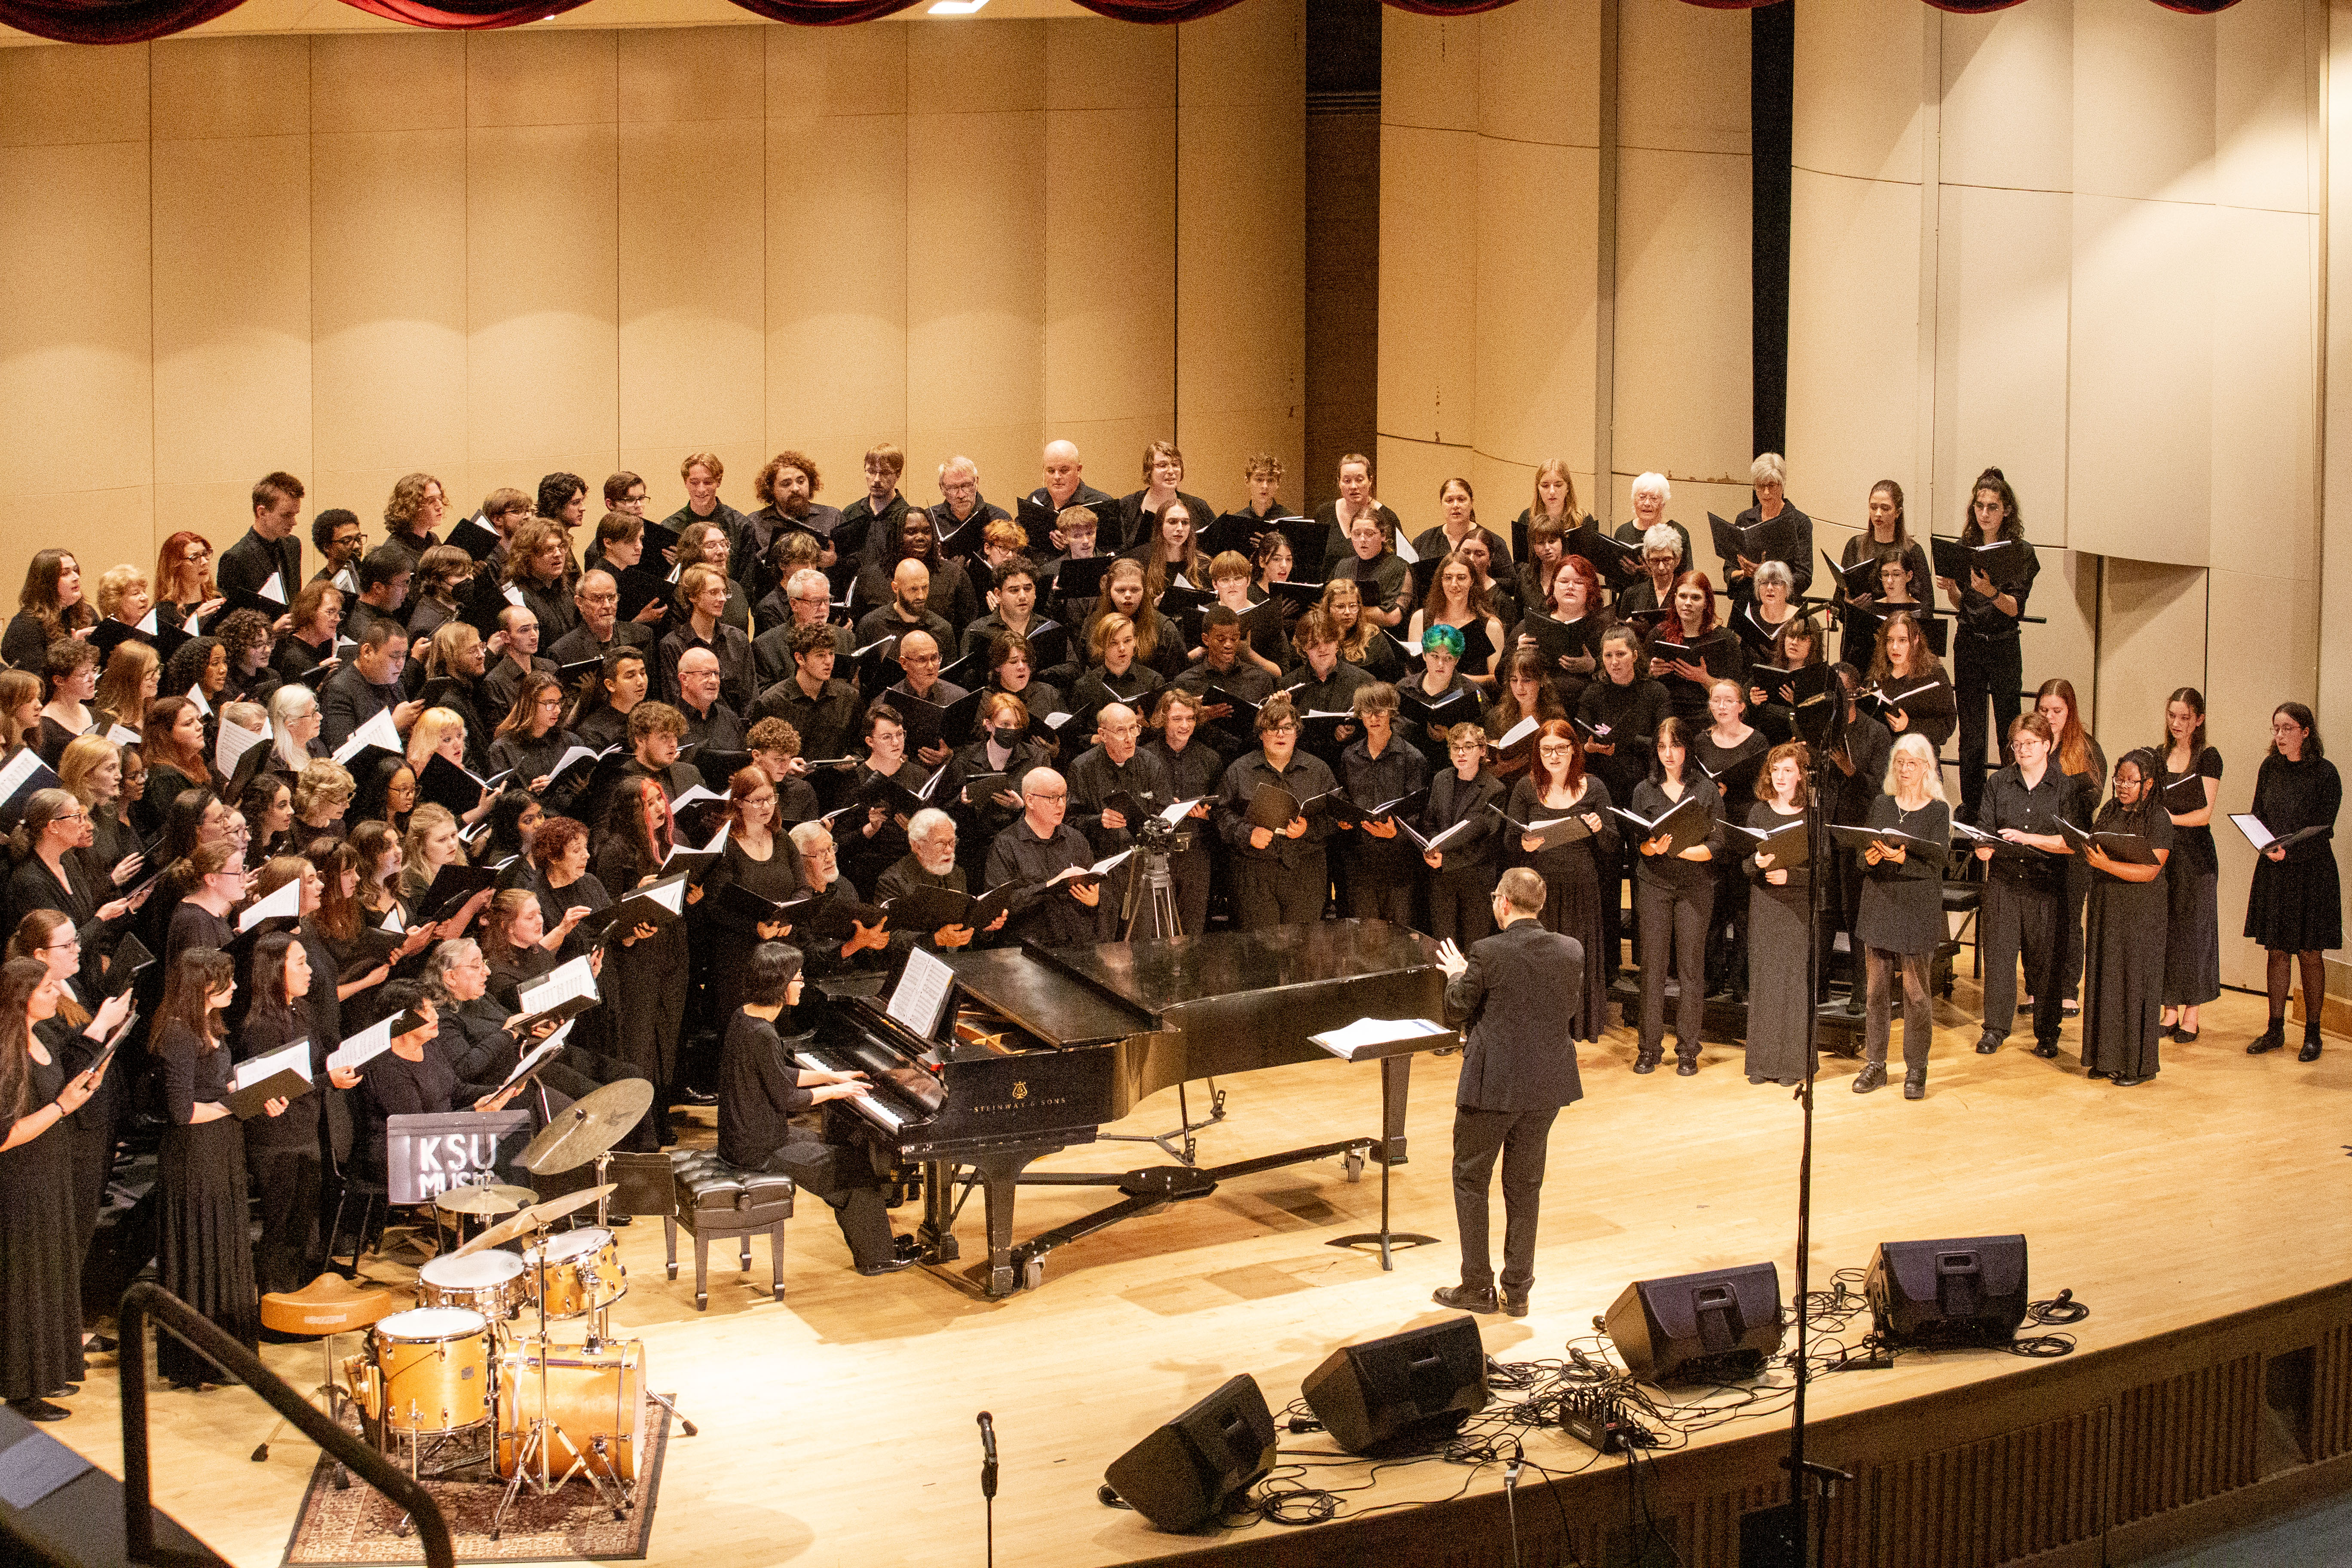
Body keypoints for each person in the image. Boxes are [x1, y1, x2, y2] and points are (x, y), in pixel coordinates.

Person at [1429, 867, 1581, 1320]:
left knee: (1471, 1180)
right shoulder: (1571, 950)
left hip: (1492, 1086)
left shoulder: (1487, 953)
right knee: (1525, 1186)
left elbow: (1456, 1010)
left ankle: (1478, 1287)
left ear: (1503, 904)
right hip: (1546, 1085)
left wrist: (1457, 975)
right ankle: (1518, 1292)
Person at [719, 943, 910, 1274]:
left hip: (750, 1136)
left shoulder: (745, 1016)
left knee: (839, 1152)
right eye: (799, 978)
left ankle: (877, 1242)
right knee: (852, 1170)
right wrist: (838, 1091)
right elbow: (788, 1099)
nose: (803, 984)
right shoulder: (762, 1033)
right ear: (781, 985)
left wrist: (830, 1075)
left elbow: (779, 1074)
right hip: (759, 1148)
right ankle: (878, 1258)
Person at [153, 946, 287, 1387]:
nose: (233, 987)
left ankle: (229, 1357)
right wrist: (238, 1104)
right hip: (194, 1155)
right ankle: (197, 1362)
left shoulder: (209, 1025)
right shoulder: (176, 1033)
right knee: (201, 1250)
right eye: (225, 981)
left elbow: (217, 1085)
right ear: (201, 986)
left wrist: (258, 1092)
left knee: (225, 1247)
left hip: (222, 1149)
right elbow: (182, 1111)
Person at [0, 956, 116, 1421]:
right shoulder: (6, 1053)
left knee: (53, 1275)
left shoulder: (45, 1036)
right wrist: (64, 1107)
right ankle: (21, 1390)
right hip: (20, 1182)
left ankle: (51, 1371)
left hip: (51, 1172)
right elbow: (5, 1136)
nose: (58, 993)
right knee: (26, 1284)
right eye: (49, 987)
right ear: (21, 997)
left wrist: (86, 1083)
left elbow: (60, 1095)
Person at [1852, 734, 1951, 1099]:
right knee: (1875, 993)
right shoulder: (1882, 804)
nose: (1905, 770)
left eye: (1912, 763)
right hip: (1879, 905)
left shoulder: (1938, 811)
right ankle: (1875, 1063)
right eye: (1900, 763)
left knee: (1917, 995)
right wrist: (1871, 859)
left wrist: (1903, 859)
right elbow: (1860, 856)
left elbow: (1939, 864)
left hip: (1915, 910)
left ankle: (1916, 1069)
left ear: (1927, 768)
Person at [1939, 468, 2039, 824]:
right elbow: (1960, 604)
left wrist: (1991, 593)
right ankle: (1974, 807)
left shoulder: (2021, 553)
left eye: (1993, 507)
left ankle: (2012, 803)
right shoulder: (1967, 547)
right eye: (1980, 506)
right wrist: (1951, 588)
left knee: (2008, 728)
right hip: (1969, 644)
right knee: (1972, 732)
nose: (1985, 513)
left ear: (2007, 510)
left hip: (2003, 645)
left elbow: (2015, 609)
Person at [1971, 713, 2073, 1060]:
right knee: (1998, 959)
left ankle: (2047, 1033)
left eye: (2031, 743)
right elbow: (1985, 828)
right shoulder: (1998, 784)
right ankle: (1995, 1029)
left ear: (2048, 745)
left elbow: (2072, 842)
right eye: (2018, 744)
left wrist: (2030, 838)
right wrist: (1981, 848)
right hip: (2003, 884)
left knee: (2045, 963)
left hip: (2046, 886)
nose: (2024, 749)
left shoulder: (2065, 787)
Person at [1507, 720, 1614, 1041]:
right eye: (1546, 749)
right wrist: (1522, 844)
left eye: (1561, 749)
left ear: (1574, 751)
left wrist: (1599, 830)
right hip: (1539, 892)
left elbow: (1612, 846)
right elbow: (1508, 842)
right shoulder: (1526, 787)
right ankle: (1541, 1026)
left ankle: (1578, 1024)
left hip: (1581, 886)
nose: (1554, 756)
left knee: (1575, 956)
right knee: (1541, 959)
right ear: (1537, 753)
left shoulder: (1594, 787)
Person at [2245, 702, 2339, 1062]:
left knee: (2311, 953)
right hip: (2275, 868)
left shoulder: (2326, 773)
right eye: (2276, 729)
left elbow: (2323, 825)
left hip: (2312, 871)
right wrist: (2265, 845)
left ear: (2305, 732)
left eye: (2287, 729)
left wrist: (2291, 852)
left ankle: (2313, 1033)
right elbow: (2258, 814)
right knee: (2278, 950)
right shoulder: (2270, 768)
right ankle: (2275, 1028)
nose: (2280, 736)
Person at [1630, 716, 1721, 1076]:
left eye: (1676, 746)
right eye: (1663, 747)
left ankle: (1688, 1049)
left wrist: (1679, 850)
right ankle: (1649, 1048)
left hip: (1695, 886)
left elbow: (1717, 845)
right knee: (1652, 968)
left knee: (1690, 969)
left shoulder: (1705, 790)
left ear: (1687, 748)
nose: (1669, 754)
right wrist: (1652, 849)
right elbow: (1637, 843)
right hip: (1654, 884)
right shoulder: (1644, 790)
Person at [2079, 750, 2173, 1087]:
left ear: (2149, 784)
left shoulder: (2158, 818)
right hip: (2108, 906)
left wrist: (2104, 865)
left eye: (2130, 782)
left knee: (2135, 985)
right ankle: (2104, 1059)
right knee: (2106, 980)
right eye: (2119, 779)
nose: (2122, 786)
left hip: (2141, 911)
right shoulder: (2109, 810)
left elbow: (2150, 871)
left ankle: (2137, 1066)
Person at [1215, 697, 1336, 928]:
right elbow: (1220, 813)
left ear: (1297, 733)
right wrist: (1247, 833)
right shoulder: (1239, 770)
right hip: (1253, 871)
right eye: (1272, 728)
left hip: (1306, 870)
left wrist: (1308, 829)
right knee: (1260, 950)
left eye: (1287, 727)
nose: (1280, 734)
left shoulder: (1319, 770)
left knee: (1303, 947)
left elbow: (1338, 818)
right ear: (1261, 734)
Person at [1738, 742, 1814, 1086]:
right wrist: (1756, 864)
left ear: (1801, 774)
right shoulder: (1758, 812)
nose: (1781, 777)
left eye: (1788, 770)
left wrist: (1792, 876)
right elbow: (1743, 865)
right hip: (1765, 905)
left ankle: (1793, 1067)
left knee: (1794, 984)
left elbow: (1823, 868)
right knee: (1765, 982)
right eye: (1776, 770)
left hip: (1797, 907)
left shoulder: (1812, 813)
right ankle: (1763, 1063)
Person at [2156, 688, 2223, 1044]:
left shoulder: (2208, 757)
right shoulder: (2158, 754)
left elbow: (2205, 814)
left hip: (2196, 857)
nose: (2177, 724)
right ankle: (2168, 1010)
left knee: (2193, 935)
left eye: (2185, 717)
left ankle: (2192, 1014)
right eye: (2172, 716)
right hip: (2165, 855)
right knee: (2166, 931)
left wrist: (2169, 820)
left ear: (2199, 719)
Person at [2036, 677, 2104, 1017]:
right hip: (2036, 842)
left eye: (2057, 711)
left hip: (2072, 845)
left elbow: (2093, 797)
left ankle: (2066, 989)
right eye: (2044, 710)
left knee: (2068, 918)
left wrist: (2061, 781)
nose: (2050, 717)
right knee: (2037, 919)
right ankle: (2037, 988)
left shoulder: (2086, 748)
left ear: (2070, 711)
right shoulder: (2030, 742)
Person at [985, 767, 1106, 947]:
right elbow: (998, 903)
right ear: (1030, 800)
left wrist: (1095, 900)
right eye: (1053, 798)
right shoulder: (1006, 844)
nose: (1061, 804)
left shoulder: (1076, 839)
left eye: (1064, 796)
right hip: (1028, 949)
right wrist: (1051, 885)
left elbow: (1100, 893)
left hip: (1078, 945)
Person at [1420, 723, 1504, 942]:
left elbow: (1489, 845)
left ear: (1483, 750)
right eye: (1455, 747)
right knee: (1444, 947)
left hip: (1476, 881)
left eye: (1468, 747)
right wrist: (1430, 848)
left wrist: (1447, 860)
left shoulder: (1494, 789)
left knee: (1475, 947)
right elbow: (1429, 821)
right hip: (1442, 880)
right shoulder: (1441, 779)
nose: (1461, 753)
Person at [1835, 480, 1931, 666]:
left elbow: (1927, 605)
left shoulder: (1912, 550)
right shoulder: (1855, 546)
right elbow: (1838, 601)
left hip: (1899, 646)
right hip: (1860, 643)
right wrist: (1850, 604)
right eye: (1874, 507)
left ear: (1898, 513)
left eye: (1885, 508)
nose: (1878, 514)